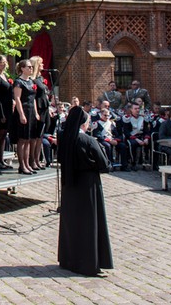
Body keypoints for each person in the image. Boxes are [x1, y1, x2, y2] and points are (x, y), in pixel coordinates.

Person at [57, 105, 113, 277]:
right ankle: (88, 262)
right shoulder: (88, 141)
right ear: (83, 124)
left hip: (70, 186)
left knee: (72, 224)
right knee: (88, 224)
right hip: (87, 186)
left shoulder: (65, 139)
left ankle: (69, 259)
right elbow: (104, 164)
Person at [12, 59, 40, 175]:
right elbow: (17, 98)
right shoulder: (19, 82)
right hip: (23, 110)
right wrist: (21, 114)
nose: (30, 69)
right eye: (28, 67)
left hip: (31, 111)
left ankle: (28, 163)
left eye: (31, 67)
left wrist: (36, 112)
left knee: (29, 139)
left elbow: (33, 99)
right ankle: (22, 165)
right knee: (22, 139)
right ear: (22, 68)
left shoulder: (31, 82)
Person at [0, 54, 13, 170]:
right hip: (1, 109)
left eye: (5, 62)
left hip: (8, 107)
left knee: (4, 135)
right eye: (1, 62)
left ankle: (1, 159)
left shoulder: (5, 76)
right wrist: (1, 114)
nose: (3, 64)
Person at [29, 56, 50, 171]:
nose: (43, 65)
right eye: (41, 63)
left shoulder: (41, 78)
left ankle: (37, 159)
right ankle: (32, 160)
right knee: (35, 137)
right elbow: (33, 98)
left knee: (40, 137)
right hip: (38, 109)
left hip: (45, 108)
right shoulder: (33, 80)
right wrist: (36, 112)